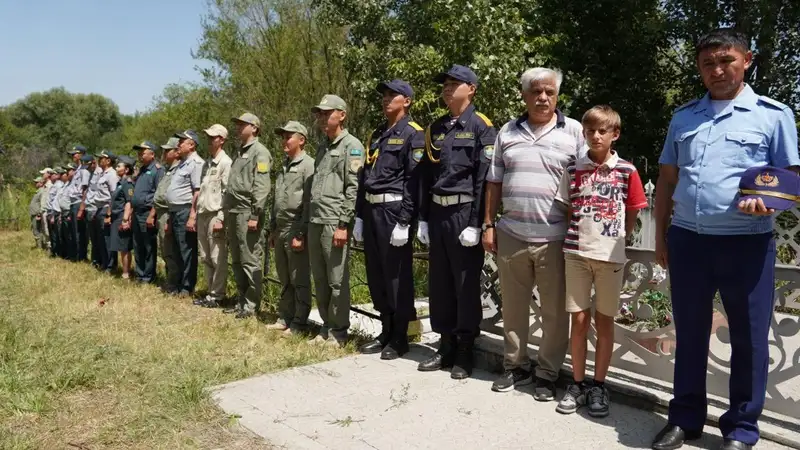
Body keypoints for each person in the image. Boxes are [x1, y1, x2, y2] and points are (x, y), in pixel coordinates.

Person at [651, 28, 800, 450]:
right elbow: (666, 180)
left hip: (747, 244)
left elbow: (791, 178)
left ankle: (741, 429)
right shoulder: (684, 118)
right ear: (700, 69)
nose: (717, 70)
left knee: (750, 339)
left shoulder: (773, 115)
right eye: (708, 64)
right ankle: (684, 419)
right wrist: (663, 235)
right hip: (688, 242)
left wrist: (771, 205)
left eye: (726, 61)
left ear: (746, 60)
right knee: (690, 332)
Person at [482, 67, 585, 397]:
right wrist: (487, 225)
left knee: (554, 311)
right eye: (536, 91)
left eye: (549, 92)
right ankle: (515, 366)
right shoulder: (507, 132)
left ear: (557, 95)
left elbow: (586, 180)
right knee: (513, 307)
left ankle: (547, 373)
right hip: (511, 233)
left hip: (554, 237)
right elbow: (494, 181)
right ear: (524, 95)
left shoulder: (575, 132)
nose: (543, 97)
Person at [552, 105, 647, 417]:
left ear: (614, 134)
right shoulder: (573, 170)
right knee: (578, 322)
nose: (595, 136)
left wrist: (622, 236)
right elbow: (568, 208)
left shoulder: (628, 171)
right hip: (576, 254)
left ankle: (599, 385)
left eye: (602, 130)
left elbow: (634, 209)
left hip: (611, 257)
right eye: (590, 130)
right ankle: (577, 383)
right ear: (584, 133)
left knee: (604, 322)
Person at [416, 65, 496, 379]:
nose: (447, 89)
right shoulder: (435, 128)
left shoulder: (482, 127)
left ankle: (465, 349)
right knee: (440, 283)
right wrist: (423, 218)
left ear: (471, 88)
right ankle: (445, 343)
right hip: (438, 214)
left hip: (464, 214)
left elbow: (483, 179)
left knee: (464, 285)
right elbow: (425, 176)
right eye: (445, 85)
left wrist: (477, 223)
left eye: (454, 84)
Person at [354, 80, 424, 359]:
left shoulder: (414, 134)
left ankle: (400, 337)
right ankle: (385, 329)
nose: (386, 100)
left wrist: (406, 221)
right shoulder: (378, 133)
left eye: (392, 95)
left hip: (394, 211)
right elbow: (364, 178)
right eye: (383, 95)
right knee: (377, 274)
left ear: (406, 101)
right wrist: (359, 216)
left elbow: (413, 182)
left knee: (396, 276)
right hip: (372, 211)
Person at [308, 94, 364, 347]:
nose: (321, 117)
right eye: (319, 113)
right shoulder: (322, 146)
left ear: (341, 115)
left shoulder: (351, 146)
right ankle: (326, 326)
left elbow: (352, 188)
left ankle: (339, 331)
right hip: (315, 219)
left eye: (326, 113)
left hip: (334, 221)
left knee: (336, 279)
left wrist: (343, 225)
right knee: (320, 278)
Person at [267, 121, 315, 335]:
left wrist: (301, 232)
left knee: (299, 277)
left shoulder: (308, 166)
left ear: (301, 140)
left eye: (288, 137)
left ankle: (300, 322)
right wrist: (272, 229)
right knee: (284, 276)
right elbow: (276, 199)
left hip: (296, 228)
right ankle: (285, 316)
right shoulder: (284, 165)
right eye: (283, 137)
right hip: (281, 228)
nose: (284, 141)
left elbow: (308, 203)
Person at [224, 113, 272, 319]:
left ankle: (252, 304)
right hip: (234, 211)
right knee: (236, 258)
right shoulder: (240, 151)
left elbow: (261, 186)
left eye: (242, 124)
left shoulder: (260, 152)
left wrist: (255, 213)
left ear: (254, 128)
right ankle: (241, 300)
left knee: (249, 258)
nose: (238, 128)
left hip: (247, 212)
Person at [194, 124, 232, 307]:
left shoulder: (226, 163)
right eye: (208, 137)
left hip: (216, 214)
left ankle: (218, 295)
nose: (209, 140)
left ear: (222, 140)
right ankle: (210, 294)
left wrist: (222, 218)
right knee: (206, 256)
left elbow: (227, 193)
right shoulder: (207, 163)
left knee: (218, 256)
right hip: (203, 214)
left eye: (213, 137)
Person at [166, 131, 204, 296]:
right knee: (176, 250)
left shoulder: (196, 163)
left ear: (192, 144)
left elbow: (197, 191)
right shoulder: (182, 163)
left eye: (182, 141)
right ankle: (178, 283)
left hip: (185, 210)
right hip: (175, 211)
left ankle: (187, 286)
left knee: (186, 250)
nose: (178, 144)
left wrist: (192, 216)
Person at [151, 137, 181, 293]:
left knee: (170, 249)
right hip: (161, 212)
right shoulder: (167, 169)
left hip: (169, 213)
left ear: (177, 152)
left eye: (168, 150)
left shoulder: (179, 169)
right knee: (164, 248)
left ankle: (174, 283)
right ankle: (171, 280)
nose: (164, 153)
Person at [131, 141, 165, 283]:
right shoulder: (141, 170)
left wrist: (152, 214)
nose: (140, 155)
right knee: (137, 245)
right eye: (139, 153)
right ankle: (140, 273)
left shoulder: (158, 170)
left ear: (152, 154)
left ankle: (149, 276)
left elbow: (158, 194)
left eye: (143, 152)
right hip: (136, 212)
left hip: (147, 212)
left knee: (148, 245)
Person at [91, 150, 119, 272]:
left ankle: (110, 265)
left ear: (108, 161)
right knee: (101, 239)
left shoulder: (112, 174)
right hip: (99, 208)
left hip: (106, 208)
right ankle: (104, 262)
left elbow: (114, 195)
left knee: (107, 239)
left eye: (102, 158)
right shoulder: (102, 174)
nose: (99, 160)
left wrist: (109, 212)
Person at [109, 156, 136, 278]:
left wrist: (125, 220)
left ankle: (126, 273)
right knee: (120, 246)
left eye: (119, 166)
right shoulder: (120, 183)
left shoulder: (127, 184)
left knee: (124, 247)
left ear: (126, 170)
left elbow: (129, 202)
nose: (117, 167)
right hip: (116, 217)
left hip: (122, 217)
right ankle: (124, 271)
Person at [66, 146, 91, 261]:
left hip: (78, 203)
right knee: (74, 231)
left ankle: (81, 256)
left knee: (80, 232)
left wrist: (81, 207)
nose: (73, 156)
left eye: (74, 154)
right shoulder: (78, 170)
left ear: (81, 154)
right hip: (73, 203)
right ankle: (76, 255)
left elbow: (85, 189)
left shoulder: (84, 170)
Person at [82, 154, 102, 267]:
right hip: (89, 208)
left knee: (99, 237)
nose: (88, 168)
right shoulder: (90, 174)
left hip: (96, 208)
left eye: (89, 165)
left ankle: (100, 261)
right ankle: (95, 260)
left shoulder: (100, 173)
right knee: (93, 237)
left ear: (93, 163)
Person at [58, 164, 77, 260]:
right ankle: (69, 254)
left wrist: (69, 213)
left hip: (69, 211)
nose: (66, 173)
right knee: (66, 235)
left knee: (71, 235)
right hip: (64, 212)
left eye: (68, 171)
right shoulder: (67, 184)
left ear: (74, 171)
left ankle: (74, 255)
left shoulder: (74, 183)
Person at [46, 168, 64, 257]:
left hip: (55, 212)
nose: (51, 175)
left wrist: (53, 214)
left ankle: (58, 252)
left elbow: (56, 201)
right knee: (52, 233)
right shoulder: (54, 185)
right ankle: (54, 251)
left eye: (54, 174)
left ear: (58, 175)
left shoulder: (59, 185)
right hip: (50, 212)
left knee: (57, 234)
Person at [39, 168, 54, 250]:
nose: (42, 175)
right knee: (45, 229)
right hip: (43, 210)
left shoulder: (50, 185)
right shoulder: (45, 186)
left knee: (48, 229)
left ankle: (50, 246)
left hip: (48, 210)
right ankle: (48, 245)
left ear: (48, 174)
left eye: (43, 173)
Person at [29, 178, 44, 248]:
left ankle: (40, 247)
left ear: (41, 183)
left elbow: (42, 203)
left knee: (37, 231)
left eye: (37, 182)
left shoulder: (41, 192)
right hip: (33, 214)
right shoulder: (38, 191)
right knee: (35, 230)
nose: (35, 184)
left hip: (37, 215)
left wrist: (39, 214)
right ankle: (38, 245)